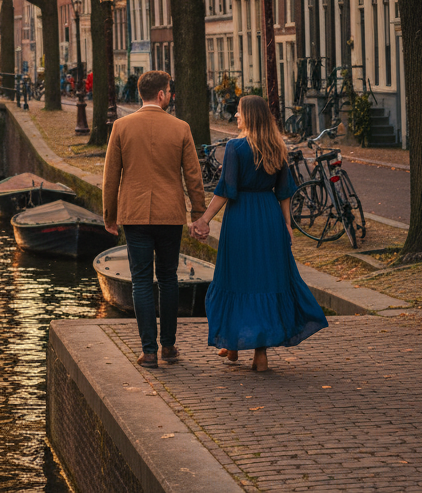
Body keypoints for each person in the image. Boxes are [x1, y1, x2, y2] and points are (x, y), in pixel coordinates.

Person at [191, 95, 327, 372]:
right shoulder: (278, 148)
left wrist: (203, 219)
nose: (236, 117)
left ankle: (231, 341)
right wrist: (286, 223)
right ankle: (259, 354)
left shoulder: (235, 147)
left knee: (236, 278)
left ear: (249, 116)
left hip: (240, 219)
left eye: (239, 113)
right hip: (269, 217)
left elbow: (226, 191)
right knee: (264, 281)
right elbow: (285, 190)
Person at [103, 70, 206, 368]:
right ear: (161, 95)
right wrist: (198, 214)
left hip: (134, 215)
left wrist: (110, 216)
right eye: (170, 91)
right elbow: (193, 177)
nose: (171, 96)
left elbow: (111, 178)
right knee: (169, 278)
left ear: (141, 94)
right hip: (170, 214)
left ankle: (148, 351)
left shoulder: (121, 127)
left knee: (141, 281)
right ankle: (169, 347)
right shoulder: (181, 128)